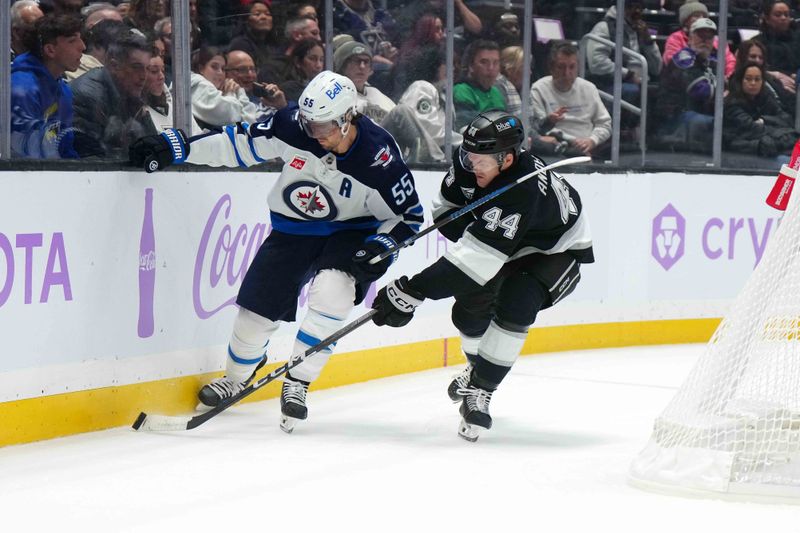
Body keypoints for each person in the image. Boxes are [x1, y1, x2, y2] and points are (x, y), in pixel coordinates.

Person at [129, 70, 423, 433]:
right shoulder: (291, 126)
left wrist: (383, 243)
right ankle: (236, 378)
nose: (314, 133)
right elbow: (237, 145)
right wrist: (181, 148)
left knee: (331, 293)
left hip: (351, 232)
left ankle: (297, 383)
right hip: (294, 229)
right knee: (255, 314)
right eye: (309, 123)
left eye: (324, 126)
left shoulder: (379, 158)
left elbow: (409, 217)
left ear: (349, 118)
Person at [369, 110, 593, 441]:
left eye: (483, 160)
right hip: (508, 244)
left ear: (508, 158)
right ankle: (477, 367)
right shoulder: (468, 164)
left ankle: (481, 390)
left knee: (517, 301)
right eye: (470, 155)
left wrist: (414, 290)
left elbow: (471, 264)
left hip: (555, 251)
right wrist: (474, 227)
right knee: (467, 312)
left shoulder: (522, 189)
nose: (474, 165)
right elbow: (444, 210)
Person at [70, 29, 158, 159]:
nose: (143, 76)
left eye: (147, 68)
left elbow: (152, 148)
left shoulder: (130, 93)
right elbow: (93, 161)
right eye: (136, 67)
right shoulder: (89, 97)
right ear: (114, 66)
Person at [11, 13, 83, 159]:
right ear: (50, 50)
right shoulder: (22, 90)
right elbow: (21, 154)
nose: (82, 46)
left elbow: (64, 145)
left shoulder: (63, 89)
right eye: (72, 41)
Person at [530, 42, 611, 158]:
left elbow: (605, 124)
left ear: (578, 67)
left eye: (572, 67)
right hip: (556, 149)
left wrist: (592, 140)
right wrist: (574, 142)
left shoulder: (589, 88)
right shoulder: (539, 88)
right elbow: (538, 127)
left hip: (589, 147)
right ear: (551, 68)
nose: (567, 73)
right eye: (561, 67)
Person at [652, 17, 718, 152]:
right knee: (712, 124)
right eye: (701, 35)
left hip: (696, 113)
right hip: (674, 118)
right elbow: (699, 91)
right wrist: (723, 92)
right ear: (690, 38)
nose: (705, 40)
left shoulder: (711, 62)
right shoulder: (683, 58)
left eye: (709, 36)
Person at [723, 61, 797, 160]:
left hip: (774, 144)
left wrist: (764, 120)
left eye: (757, 79)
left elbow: (787, 119)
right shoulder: (732, 104)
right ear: (741, 81)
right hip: (747, 150)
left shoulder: (766, 97)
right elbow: (753, 130)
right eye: (748, 79)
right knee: (789, 162)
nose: (753, 83)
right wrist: (781, 131)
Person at [662, 1, 736, 79]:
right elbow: (673, 63)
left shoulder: (718, 41)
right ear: (686, 20)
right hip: (685, 81)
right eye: (696, 16)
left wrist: (728, 78)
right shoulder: (675, 38)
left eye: (704, 16)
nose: (701, 18)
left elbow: (730, 61)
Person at [334, 40, 396, 124]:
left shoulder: (376, 93)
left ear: (371, 70)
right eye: (356, 61)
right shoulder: (335, 96)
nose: (362, 66)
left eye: (366, 62)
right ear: (342, 66)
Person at [453, 39, 507, 131]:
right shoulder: (462, 90)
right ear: (471, 66)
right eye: (484, 62)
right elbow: (467, 126)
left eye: (495, 63)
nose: (491, 68)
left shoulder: (497, 92)